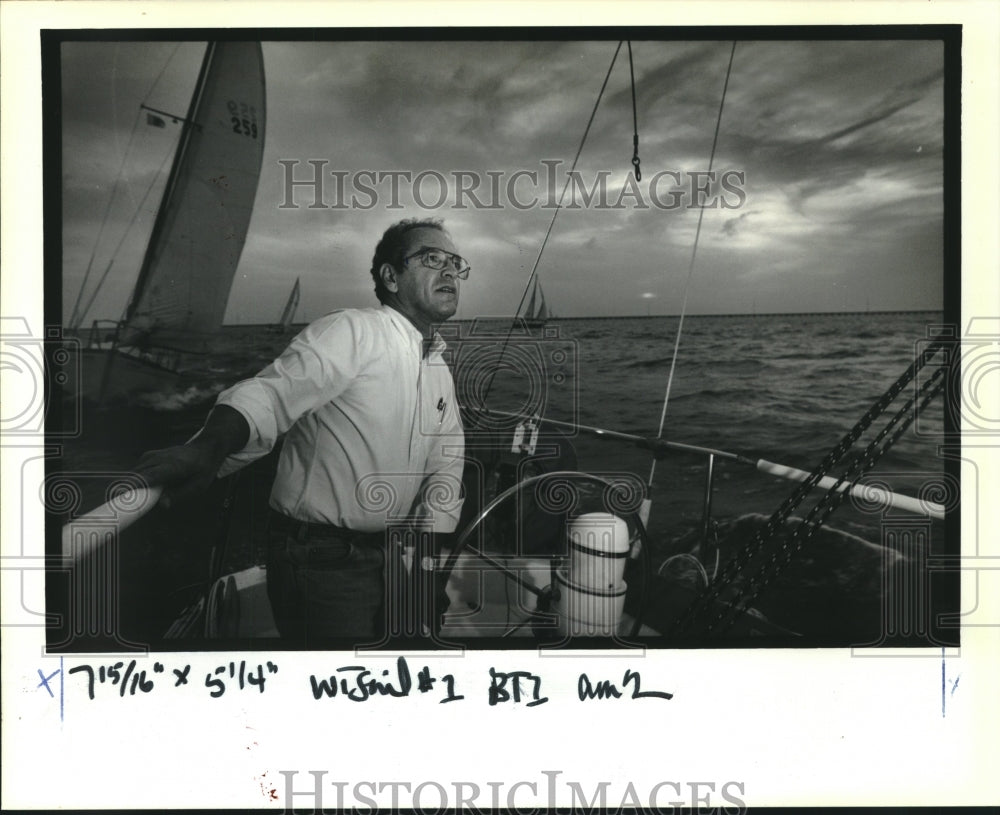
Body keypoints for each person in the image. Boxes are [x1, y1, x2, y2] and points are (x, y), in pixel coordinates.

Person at [136, 218, 467, 643]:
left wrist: (423, 571)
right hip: (323, 558)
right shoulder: (354, 331)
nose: (449, 272)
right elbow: (272, 395)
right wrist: (208, 447)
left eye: (455, 263)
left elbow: (445, 465)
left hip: (393, 555)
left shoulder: (437, 367)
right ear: (391, 276)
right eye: (431, 258)